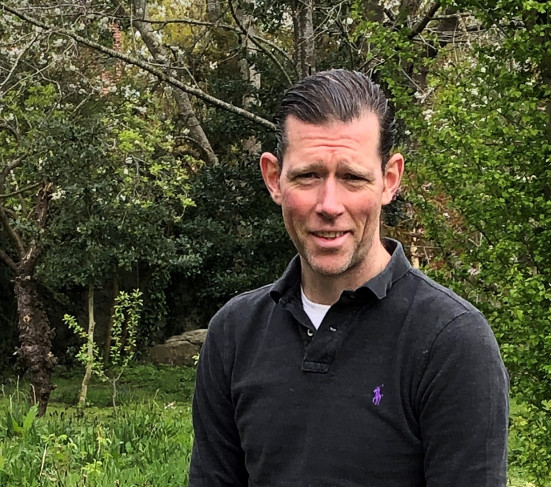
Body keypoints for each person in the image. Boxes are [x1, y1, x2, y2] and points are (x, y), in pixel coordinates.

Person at [189, 69, 509, 486]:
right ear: (274, 179)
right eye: (308, 176)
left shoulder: (450, 343)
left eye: (352, 178)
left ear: (389, 180)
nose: (329, 205)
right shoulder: (234, 333)